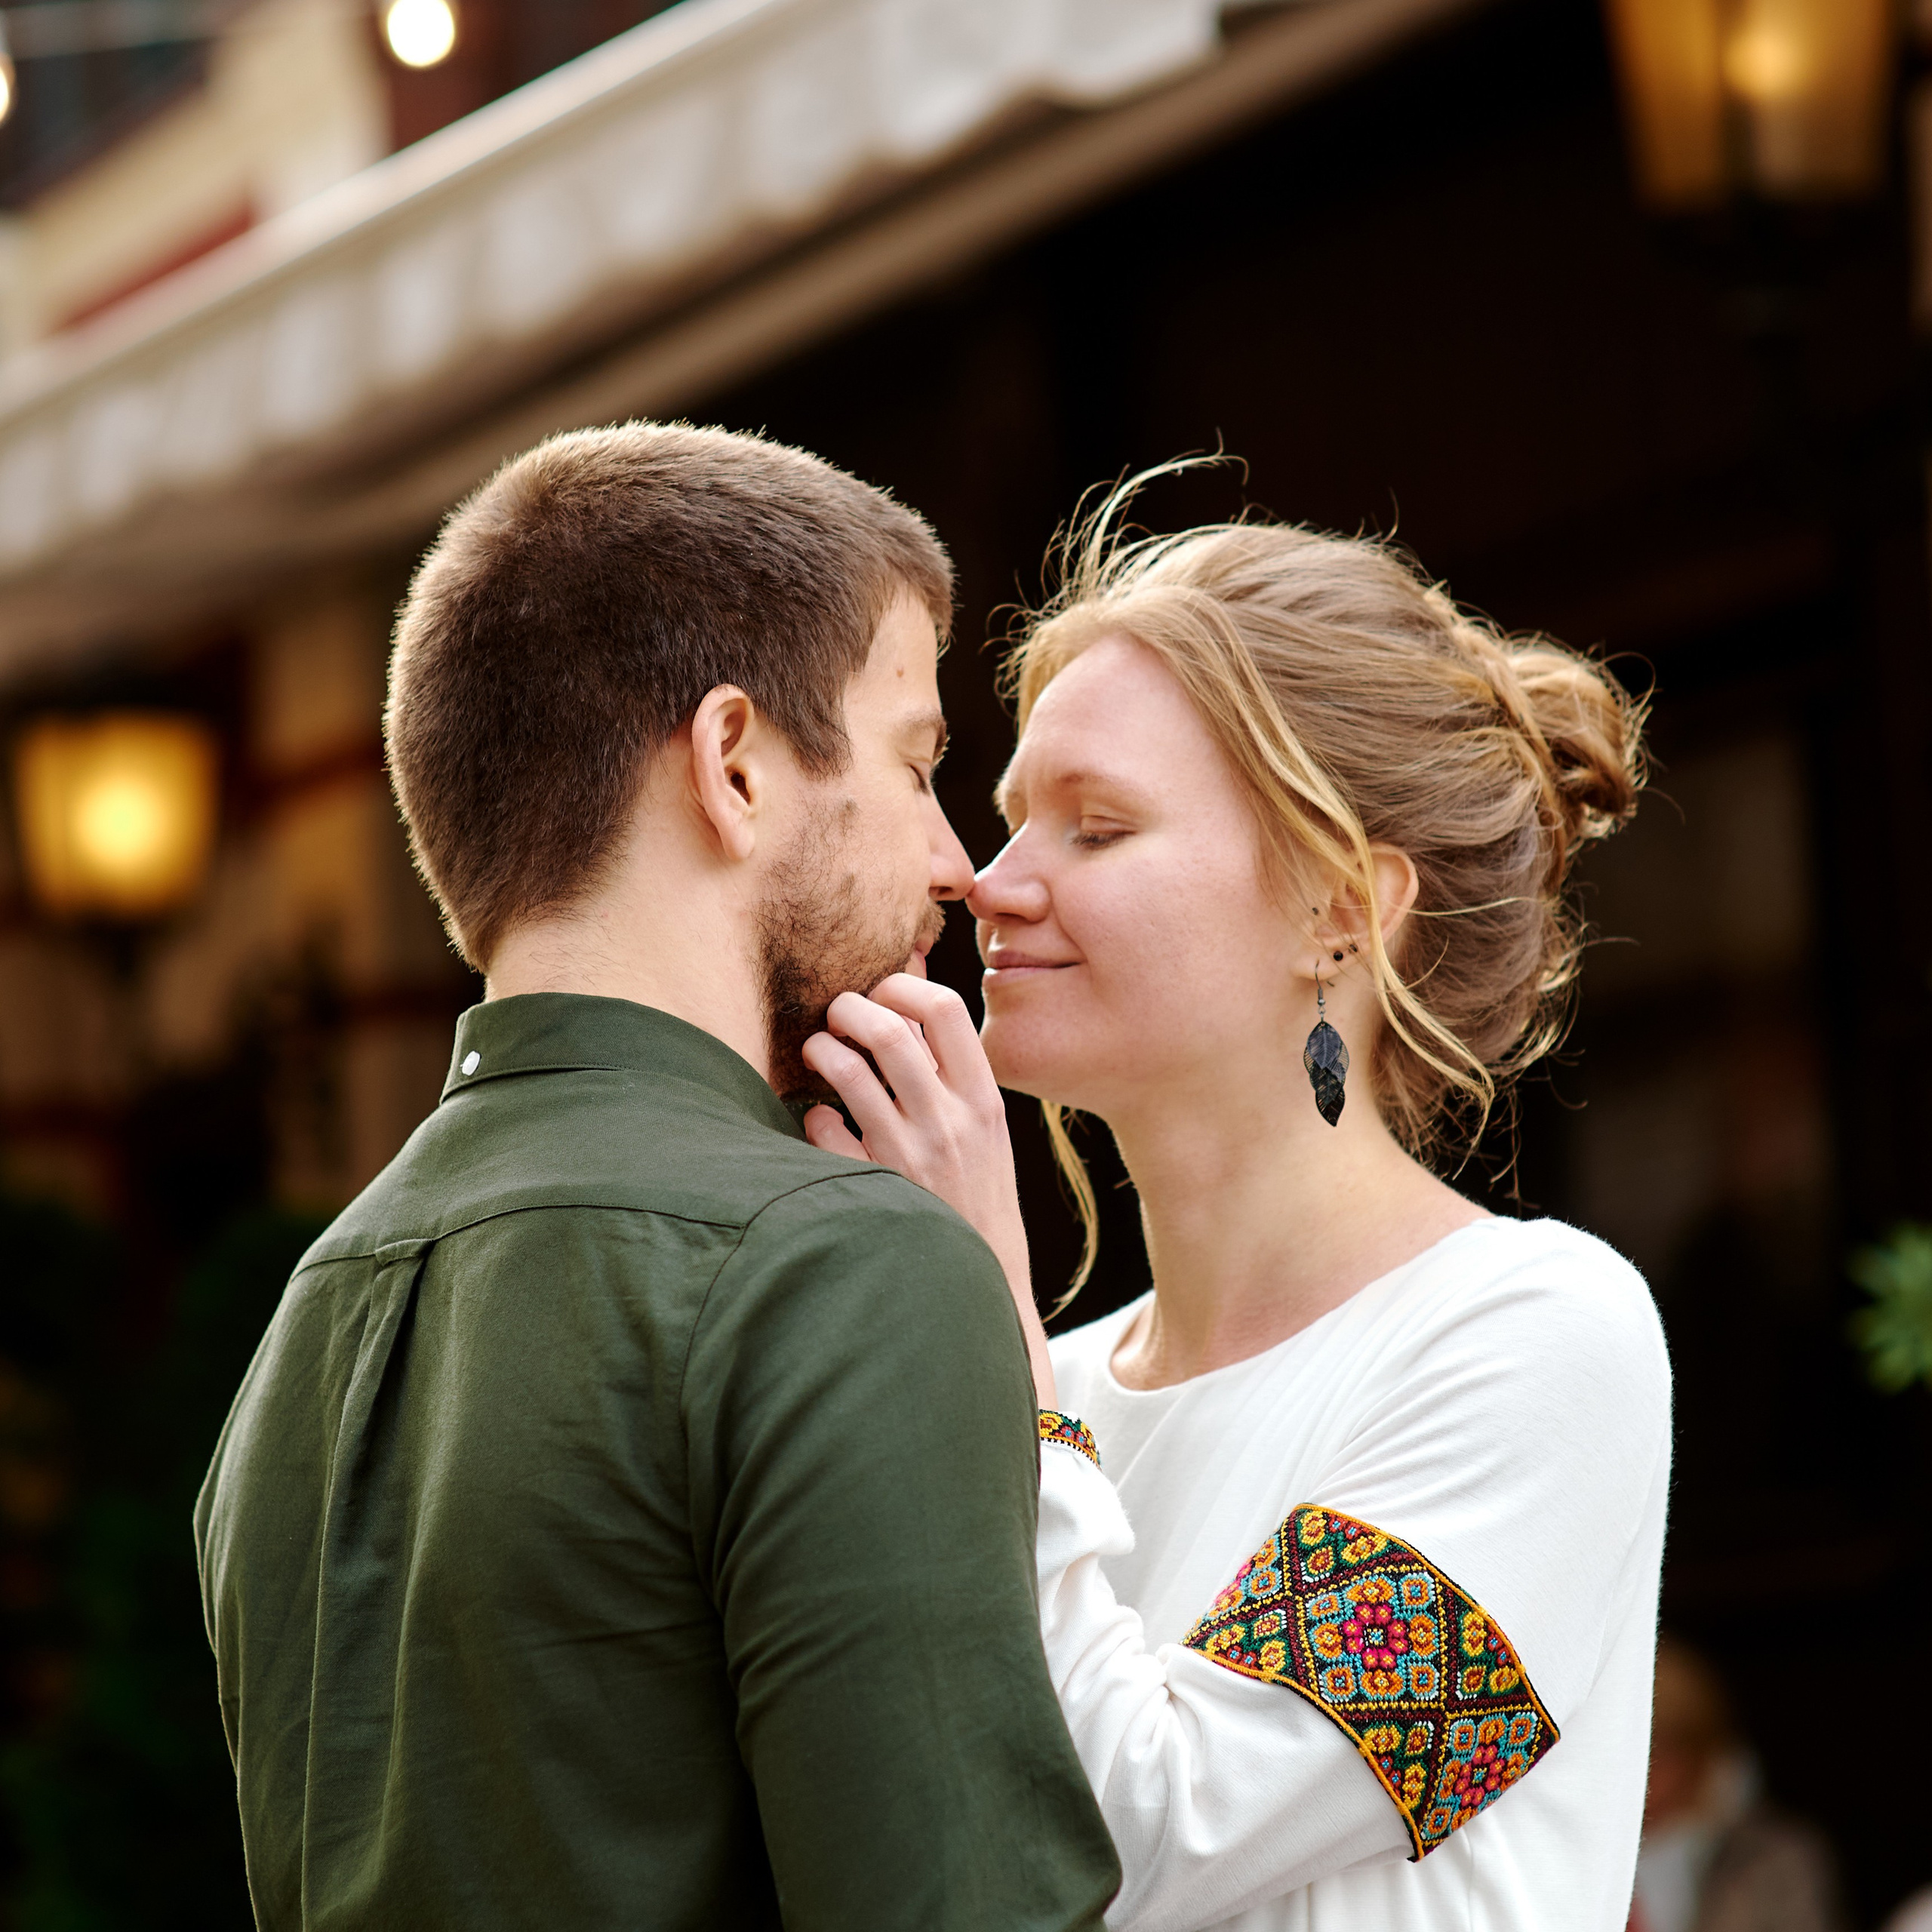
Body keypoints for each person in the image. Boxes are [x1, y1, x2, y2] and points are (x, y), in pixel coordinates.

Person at [192, 424, 1120, 1930]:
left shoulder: (307, 1319)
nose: (960, 863)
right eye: (917, 760)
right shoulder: (845, 1265)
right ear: (734, 762)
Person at [802, 481, 1673, 1928]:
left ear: (1342, 906)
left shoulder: (1542, 1342)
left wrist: (977, 1330)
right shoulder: (1053, 1384)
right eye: (1015, 820)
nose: (990, 883)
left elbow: (1133, 1842)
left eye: (1096, 827)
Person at [1628, 1636, 1844, 1932]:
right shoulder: (1572, 1851)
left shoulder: (1769, 1859)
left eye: (1663, 1753)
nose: (1645, 1773)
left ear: (1699, 1759)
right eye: (1631, 1754)